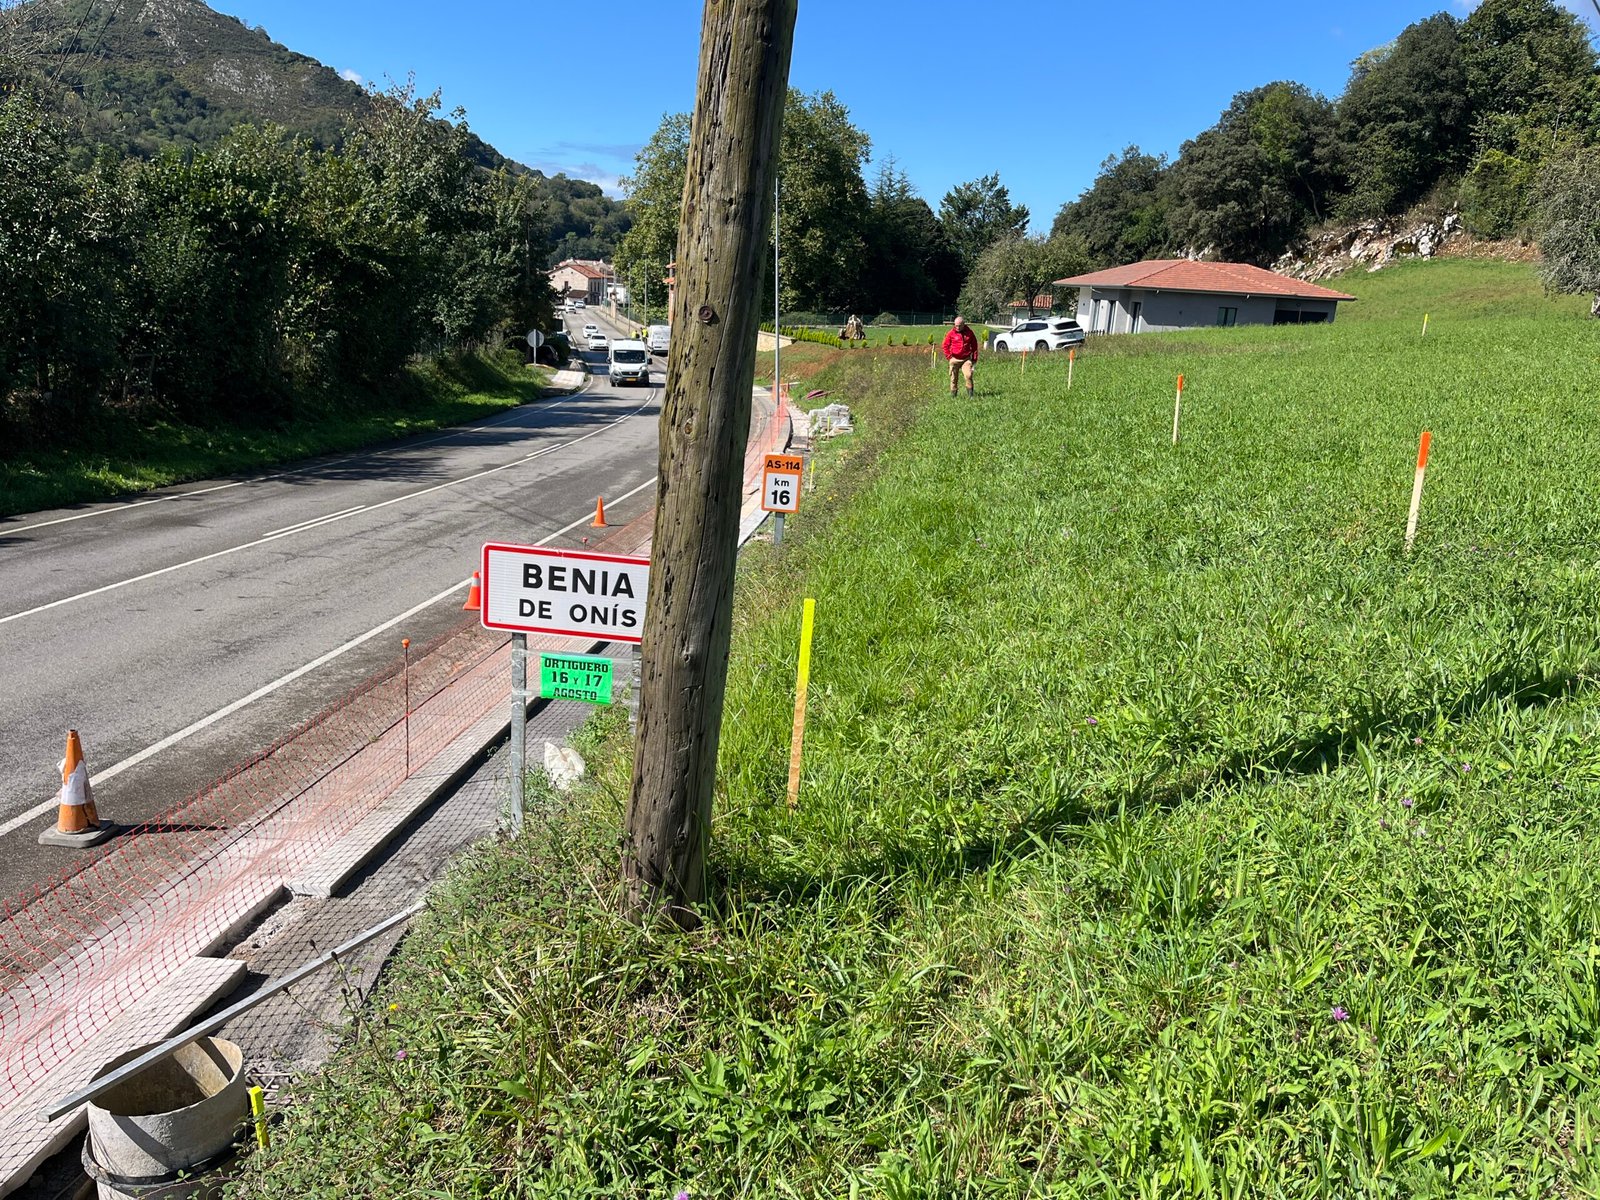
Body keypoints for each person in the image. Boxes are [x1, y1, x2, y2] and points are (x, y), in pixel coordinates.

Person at [941, 315, 979, 397]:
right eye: (956, 325)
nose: (957, 327)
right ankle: (953, 397)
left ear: (963, 324)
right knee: (953, 379)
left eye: (959, 326)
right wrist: (949, 357)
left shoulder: (969, 333)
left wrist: (974, 359)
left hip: (966, 359)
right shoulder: (951, 333)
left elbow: (974, 346)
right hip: (954, 359)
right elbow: (945, 346)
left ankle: (971, 396)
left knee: (969, 375)